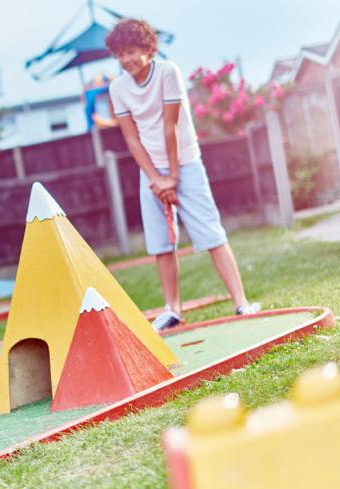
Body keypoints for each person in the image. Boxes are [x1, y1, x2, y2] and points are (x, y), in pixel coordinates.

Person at [104, 19, 260, 331]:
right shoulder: (117, 88)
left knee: (211, 235)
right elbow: (132, 139)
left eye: (132, 51)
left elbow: (169, 126)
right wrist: (155, 178)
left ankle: (242, 303)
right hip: (150, 171)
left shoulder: (167, 72)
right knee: (161, 244)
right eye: (120, 54)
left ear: (148, 48)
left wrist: (172, 177)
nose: (126, 60)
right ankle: (172, 309)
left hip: (184, 163)